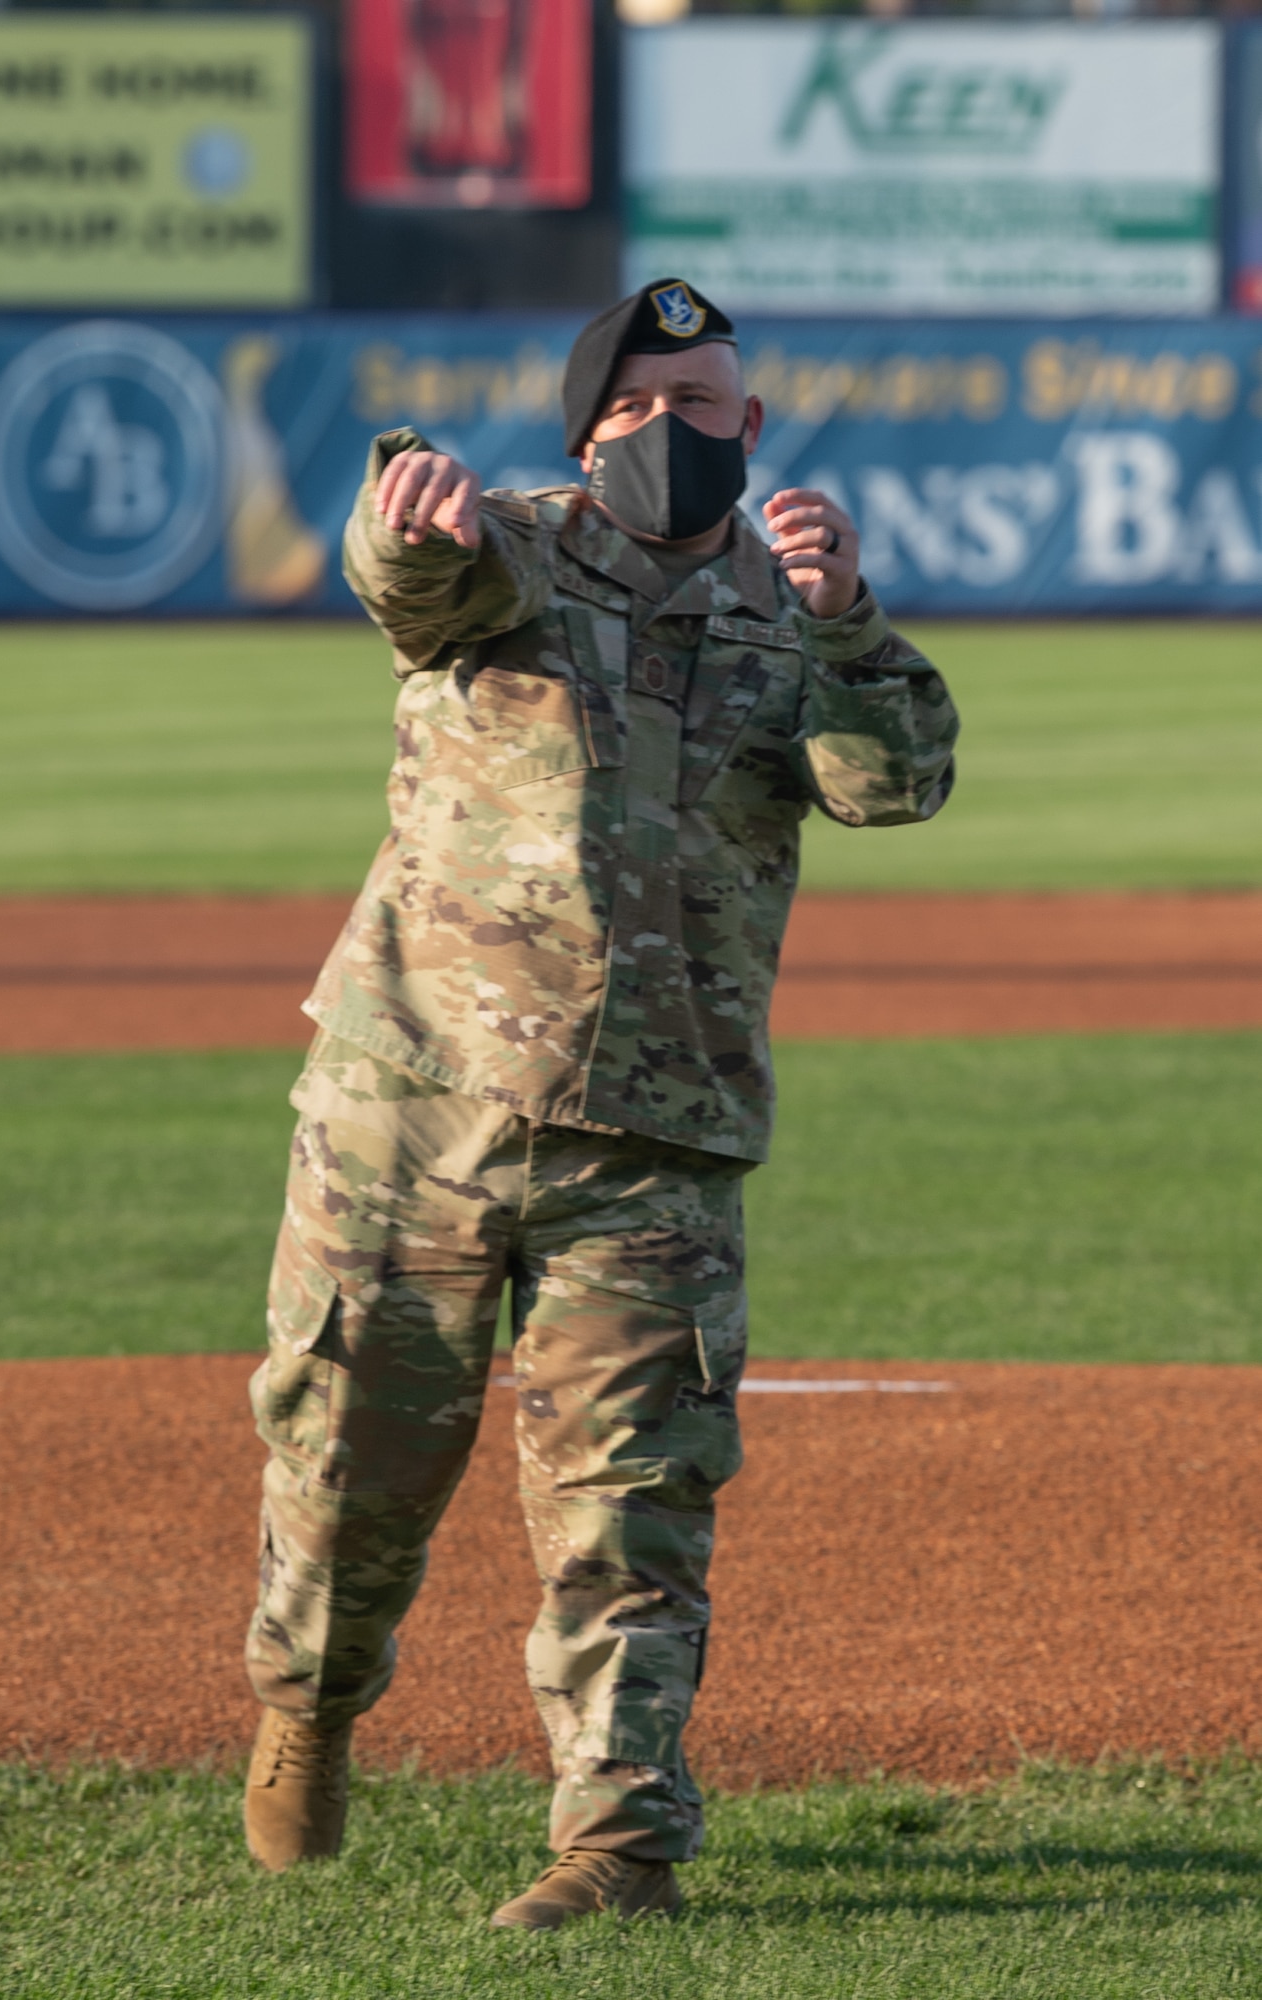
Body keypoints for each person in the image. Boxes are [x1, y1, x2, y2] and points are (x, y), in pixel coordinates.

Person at [241, 278, 959, 1928]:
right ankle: (309, 1706)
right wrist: (408, 522)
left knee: (632, 1508)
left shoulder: (800, 615)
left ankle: (620, 1848)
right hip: (412, 1109)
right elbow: (409, 577)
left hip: (660, 1132)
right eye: (633, 411)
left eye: (700, 405)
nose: (669, 434)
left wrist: (846, 613)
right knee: (348, 1465)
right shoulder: (511, 548)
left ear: (754, 426)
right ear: (583, 437)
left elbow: (894, 782)